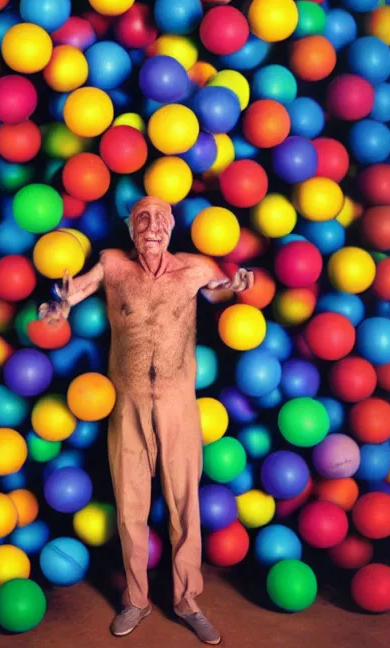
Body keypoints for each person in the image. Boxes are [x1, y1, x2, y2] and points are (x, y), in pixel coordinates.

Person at [39, 195, 253, 645]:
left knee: (184, 506)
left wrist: (235, 284)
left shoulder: (194, 269)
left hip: (178, 403)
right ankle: (136, 599)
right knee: (131, 505)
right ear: (131, 226)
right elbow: (78, 288)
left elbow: (218, 287)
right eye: (142, 217)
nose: (152, 225)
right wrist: (60, 302)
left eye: (160, 217)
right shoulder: (114, 264)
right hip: (127, 402)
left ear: (172, 225)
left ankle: (187, 601)